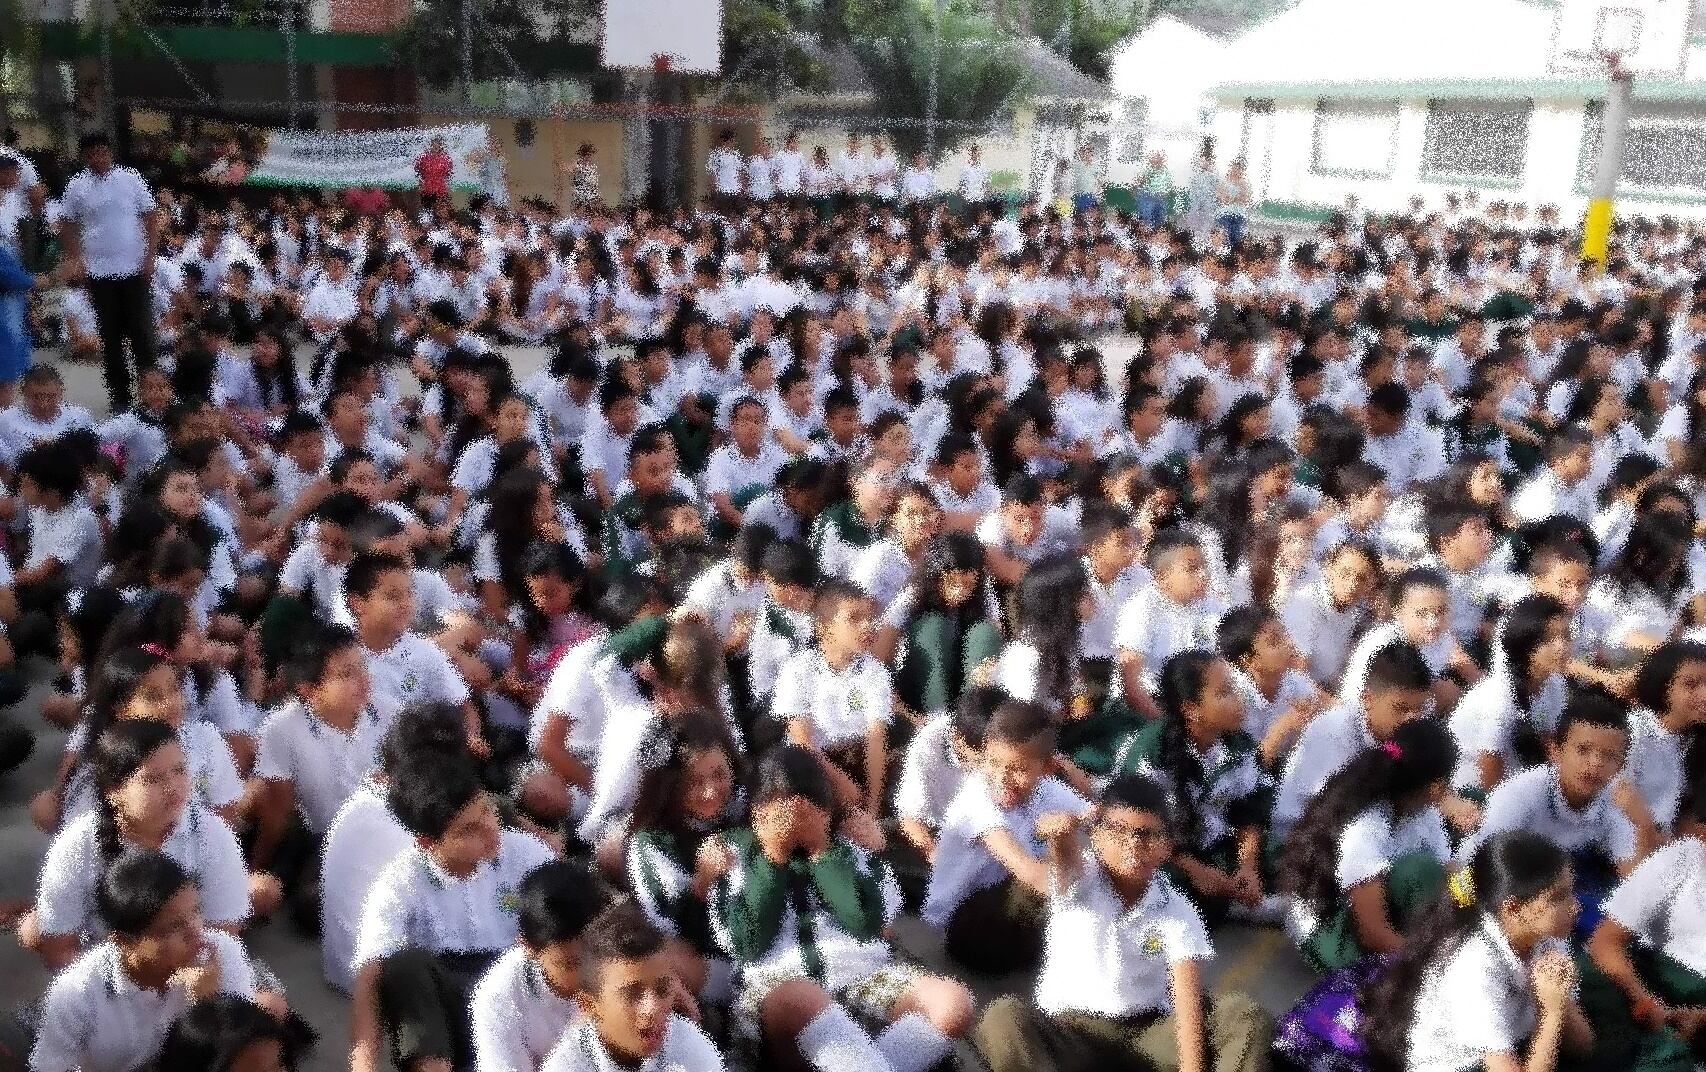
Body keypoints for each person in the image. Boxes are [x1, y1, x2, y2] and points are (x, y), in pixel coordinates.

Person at [972, 773, 1275, 1072]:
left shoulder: (1177, 911)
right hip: (1073, 1032)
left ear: (1166, 846)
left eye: (1147, 835)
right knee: (1002, 1018)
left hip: (1147, 1034)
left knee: (1242, 1015)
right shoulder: (1080, 879)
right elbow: (1065, 864)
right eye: (1118, 830)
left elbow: (1186, 1004)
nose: (1132, 845)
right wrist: (1061, 836)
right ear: (1097, 835)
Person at [1358, 831, 1595, 1072]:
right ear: (1513, 908)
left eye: (1570, 891)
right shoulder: (1472, 966)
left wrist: (1558, 999)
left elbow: (1583, 1046)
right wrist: (1551, 1015)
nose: (1575, 906)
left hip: (1511, 1047)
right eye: (1558, 897)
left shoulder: (1546, 937)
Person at [31, 849, 279, 1072]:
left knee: (269, 1011)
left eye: (195, 912)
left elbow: (241, 1057)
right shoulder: (75, 993)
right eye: (173, 927)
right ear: (123, 942)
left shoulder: (222, 952)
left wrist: (207, 1006)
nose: (195, 931)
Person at [1277, 717, 1457, 972]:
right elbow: (1373, 933)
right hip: (1330, 935)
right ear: (1437, 787)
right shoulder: (1365, 824)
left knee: (1439, 881)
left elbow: (1452, 869)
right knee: (1419, 870)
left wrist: (1469, 910)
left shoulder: (1424, 811)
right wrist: (1433, 967)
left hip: (1369, 911)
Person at [543, 903, 725, 1072]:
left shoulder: (686, 1044)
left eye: (662, 990)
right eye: (632, 994)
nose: (652, 1007)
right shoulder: (567, 1066)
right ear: (589, 1005)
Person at [56, 132, 161, 412]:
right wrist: (75, 258)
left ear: (109, 152)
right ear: (85, 156)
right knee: (110, 337)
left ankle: (151, 394)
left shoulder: (131, 178)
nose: (98, 158)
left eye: (102, 152)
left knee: (142, 337)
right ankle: (120, 396)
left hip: (134, 268)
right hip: (99, 272)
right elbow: (65, 222)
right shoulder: (77, 186)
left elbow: (151, 217)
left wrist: (150, 256)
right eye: (92, 154)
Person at [414, 135, 454, 211]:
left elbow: (450, 174)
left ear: (441, 146)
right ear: (430, 145)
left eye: (438, 144)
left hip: (441, 190)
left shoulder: (446, 158)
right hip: (426, 189)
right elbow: (416, 171)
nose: (435, 147)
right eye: (433, 145)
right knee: (428, 211)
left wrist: (448, 185)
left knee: (441, 211)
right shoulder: (422, 157)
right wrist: (420, 183)